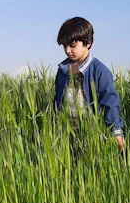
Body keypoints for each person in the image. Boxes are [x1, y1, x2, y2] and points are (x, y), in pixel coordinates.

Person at [53, 17, 125, 151]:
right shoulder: (62, 70)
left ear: (88, 43)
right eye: (65, 46)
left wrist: (116, 130)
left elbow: (110, 102)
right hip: (65, 132)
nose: (68, 50)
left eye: (72, 46)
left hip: (91, 131)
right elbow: (57, 98)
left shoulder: (99, 70)